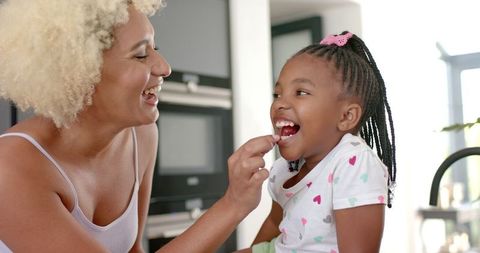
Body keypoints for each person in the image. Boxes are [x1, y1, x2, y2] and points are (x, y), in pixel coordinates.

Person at [0, 0, 278, 252]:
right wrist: (233, 204)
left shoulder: (141, 137)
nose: (164, 67)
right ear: (80, 71)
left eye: (155, 49)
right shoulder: (11, 167)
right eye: (141, 55)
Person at [236, 31, 397, 253]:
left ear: (346, 116)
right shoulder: (285, 169)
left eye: (300, 92)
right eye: (277, 94)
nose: (280, 104)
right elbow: (274, 223)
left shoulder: (353, 162)